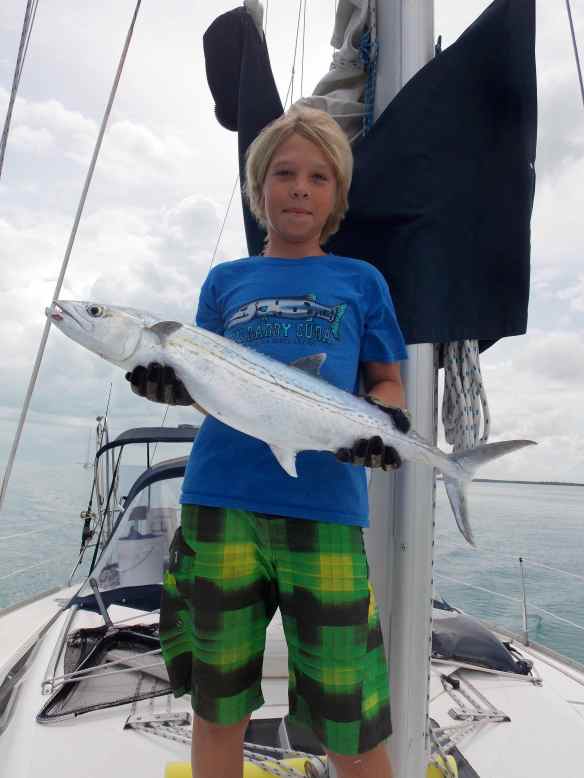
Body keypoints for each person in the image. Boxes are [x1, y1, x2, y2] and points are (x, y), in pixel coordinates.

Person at [127, 106, 409, 778]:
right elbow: (204, 380)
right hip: (221, 501)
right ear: (259, 191)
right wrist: (174, 388)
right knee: (216, 707)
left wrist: (381, 426)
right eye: (284, 174)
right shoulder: (226, 283)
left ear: (337, 195)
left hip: (329, 509)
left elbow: (388, 385)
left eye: (318, 176)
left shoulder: (362, 283)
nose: (300, 188)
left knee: (352, 716)